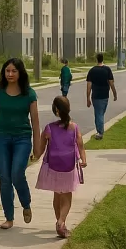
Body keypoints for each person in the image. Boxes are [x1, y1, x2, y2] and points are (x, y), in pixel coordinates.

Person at [0, 58, 40, 230]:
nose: (10, 74)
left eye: (14, 71)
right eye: (7, 71)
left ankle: (26, 203)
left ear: (20, 72)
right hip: (1, 138)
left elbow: (35, 122)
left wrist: (37, 146)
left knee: (16, 173)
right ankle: (9, 217)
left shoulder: (29, 93)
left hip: (22, 138)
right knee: (5, 178)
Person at [34, 96, 87, 238]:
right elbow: (80, 145)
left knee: (57, 195)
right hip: (69, 166)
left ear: (55, 110)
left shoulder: (49, 128)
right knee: (67, 196)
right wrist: (84, 160)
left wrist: (33, 156)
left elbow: (39, 151)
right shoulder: (74, 127)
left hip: (53, 166)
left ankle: (59, 223)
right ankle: (61, 221)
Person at [85, 53, 117, 139]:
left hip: (95, 96)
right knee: (100, 113)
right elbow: (111, 83)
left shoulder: (92, 71)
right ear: (103, 59)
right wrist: (114, 94)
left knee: (99, 114)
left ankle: (100, 132)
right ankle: (100, 131)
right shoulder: (107, 70)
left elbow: (89, 86)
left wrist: (88, 98)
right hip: (105, 96)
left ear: (96, 59)